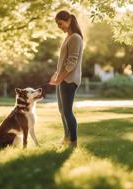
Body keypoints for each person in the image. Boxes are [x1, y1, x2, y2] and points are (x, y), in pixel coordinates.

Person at [49, 10, 84, 148]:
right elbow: (64, 61)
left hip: (69, 80)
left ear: (69, 20)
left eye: (60, 23)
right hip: (63, 79)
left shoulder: (75, 37)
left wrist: (60, 78)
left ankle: (73, 142)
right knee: (62, 110)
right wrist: (56, 75)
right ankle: (66, 137)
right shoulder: (69, 37)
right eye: (57, 25)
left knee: (67, 111)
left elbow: (71, 62)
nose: (59, 27)